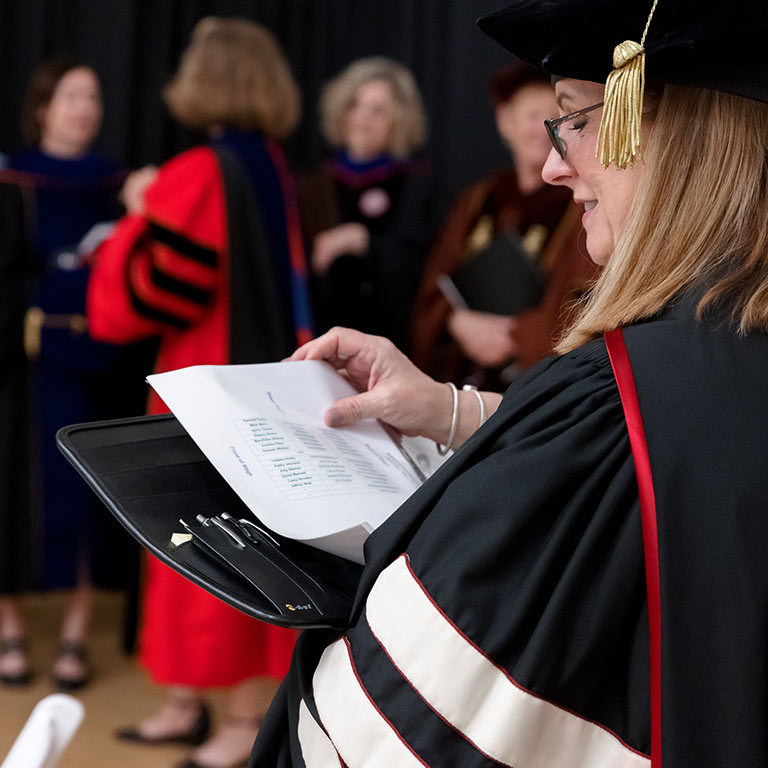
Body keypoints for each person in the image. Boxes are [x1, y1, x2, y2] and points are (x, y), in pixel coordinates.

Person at [245, 0, 768, 765]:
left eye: (576, 119)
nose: (557, 162)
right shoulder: (726, 353)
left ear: (667, 134)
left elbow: (370, 739)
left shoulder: (607, 412)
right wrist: (454, 409)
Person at [87, 18, 310, 768]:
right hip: (262, 379)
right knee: (224, 537)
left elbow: (133, 305)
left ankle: (241, 721)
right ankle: (186, 702)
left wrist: (138, 213)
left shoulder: (199, 172)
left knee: (206, 542)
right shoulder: (273, 167)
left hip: (205, 381)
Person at [0, 56, 140, 691]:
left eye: (93, 96)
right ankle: (10, 627)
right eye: (70, 96)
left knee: (88, 498)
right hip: (21, 367)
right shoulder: (10, 182)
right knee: (12, 494)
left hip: (101, 364)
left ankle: (76, 635)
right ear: (42, 108)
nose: (84, 107)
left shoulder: (121, 188)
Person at [412, 62, 599, 390]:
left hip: (532, 380)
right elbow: (436, 285)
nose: (541, 129)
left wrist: (515, 336)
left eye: (554, 117)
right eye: (530, 116)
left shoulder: (582, 202)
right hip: (461, 377)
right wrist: (457, 323)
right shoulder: (477, 201)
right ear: (504, 122)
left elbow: (585, 301)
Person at [299, 56, 440, 354]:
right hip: (315, 332)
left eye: (378, 110)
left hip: (385, 338)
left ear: (399, 119)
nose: (363, 118)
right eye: (355, 105)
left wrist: (362, 240)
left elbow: (419, 267)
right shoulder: (314, 184)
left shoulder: (416, 185)